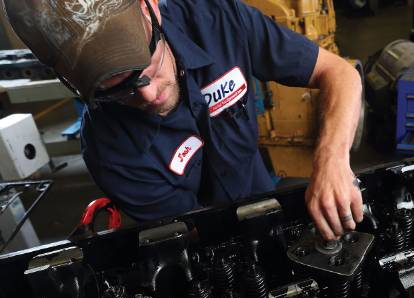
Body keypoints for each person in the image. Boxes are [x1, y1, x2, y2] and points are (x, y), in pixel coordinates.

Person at [4, 0, 364, 241]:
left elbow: (339, 74)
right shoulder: (112, 154)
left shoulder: (217, 20)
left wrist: (331, 159)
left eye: (148, 69)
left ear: (152, 10)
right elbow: (192, 237)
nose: (147, 96)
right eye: (118, 91)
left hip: (259, 188)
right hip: (208, 239)